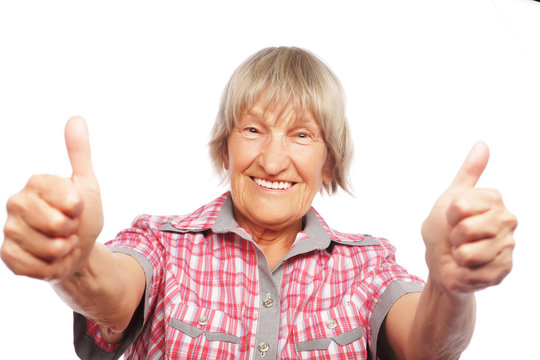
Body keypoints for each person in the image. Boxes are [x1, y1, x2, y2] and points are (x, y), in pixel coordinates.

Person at [1, 47, 517, 359]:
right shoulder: (161, 243)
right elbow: (109, 291)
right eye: (253, 129)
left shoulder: (367, 267)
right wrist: (73, 260)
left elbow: (429, 346)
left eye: (300, 135)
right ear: (225, 145)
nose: (273, 160)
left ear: (330, 162)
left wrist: (450, 286)